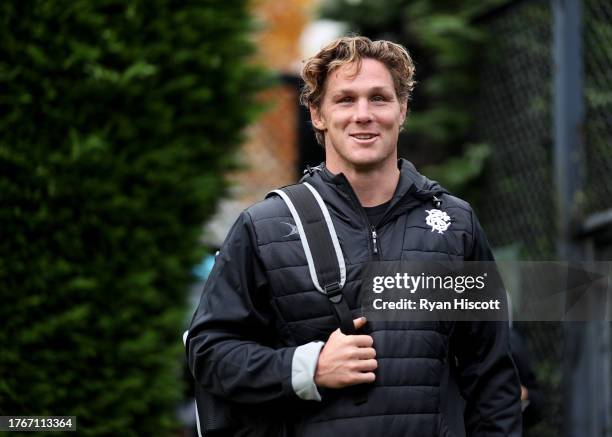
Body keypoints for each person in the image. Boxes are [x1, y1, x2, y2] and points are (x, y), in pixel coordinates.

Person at [186, 36, 522, 436]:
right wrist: (309, 368)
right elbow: (209, 354)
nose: (363, 114)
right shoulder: (265, 226)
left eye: (379, 98)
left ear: (402, 110)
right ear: (317, 114)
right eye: (345, 99)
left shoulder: (455, 224)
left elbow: (492, 378)